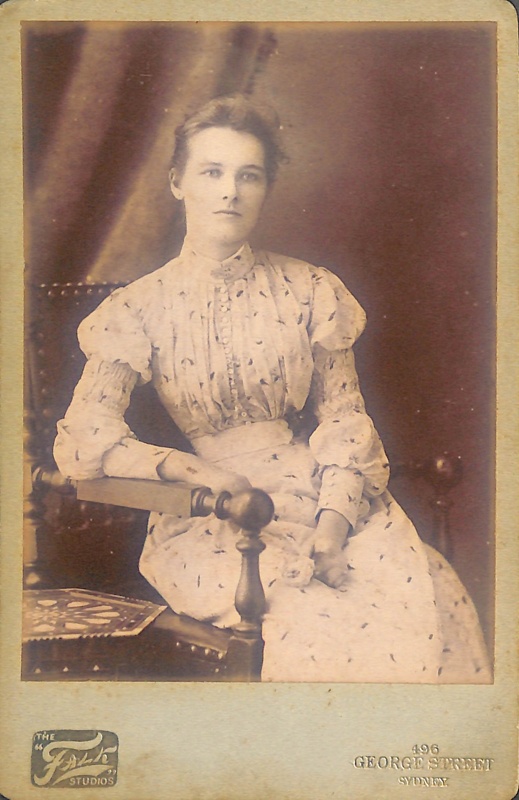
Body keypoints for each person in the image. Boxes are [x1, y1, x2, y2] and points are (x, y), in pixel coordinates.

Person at [54, 95, 490, 683]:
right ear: (178, 182)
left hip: (320, 497)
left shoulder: (310, 290)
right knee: (308, 627)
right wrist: (199, 475)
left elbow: (343, 421)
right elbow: (86, 439)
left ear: (265, 187)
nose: (230, 191)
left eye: (248, 175)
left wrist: (333, 528)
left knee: (430, 596)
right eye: (212, 172)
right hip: (214, 519)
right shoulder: (137, 308)